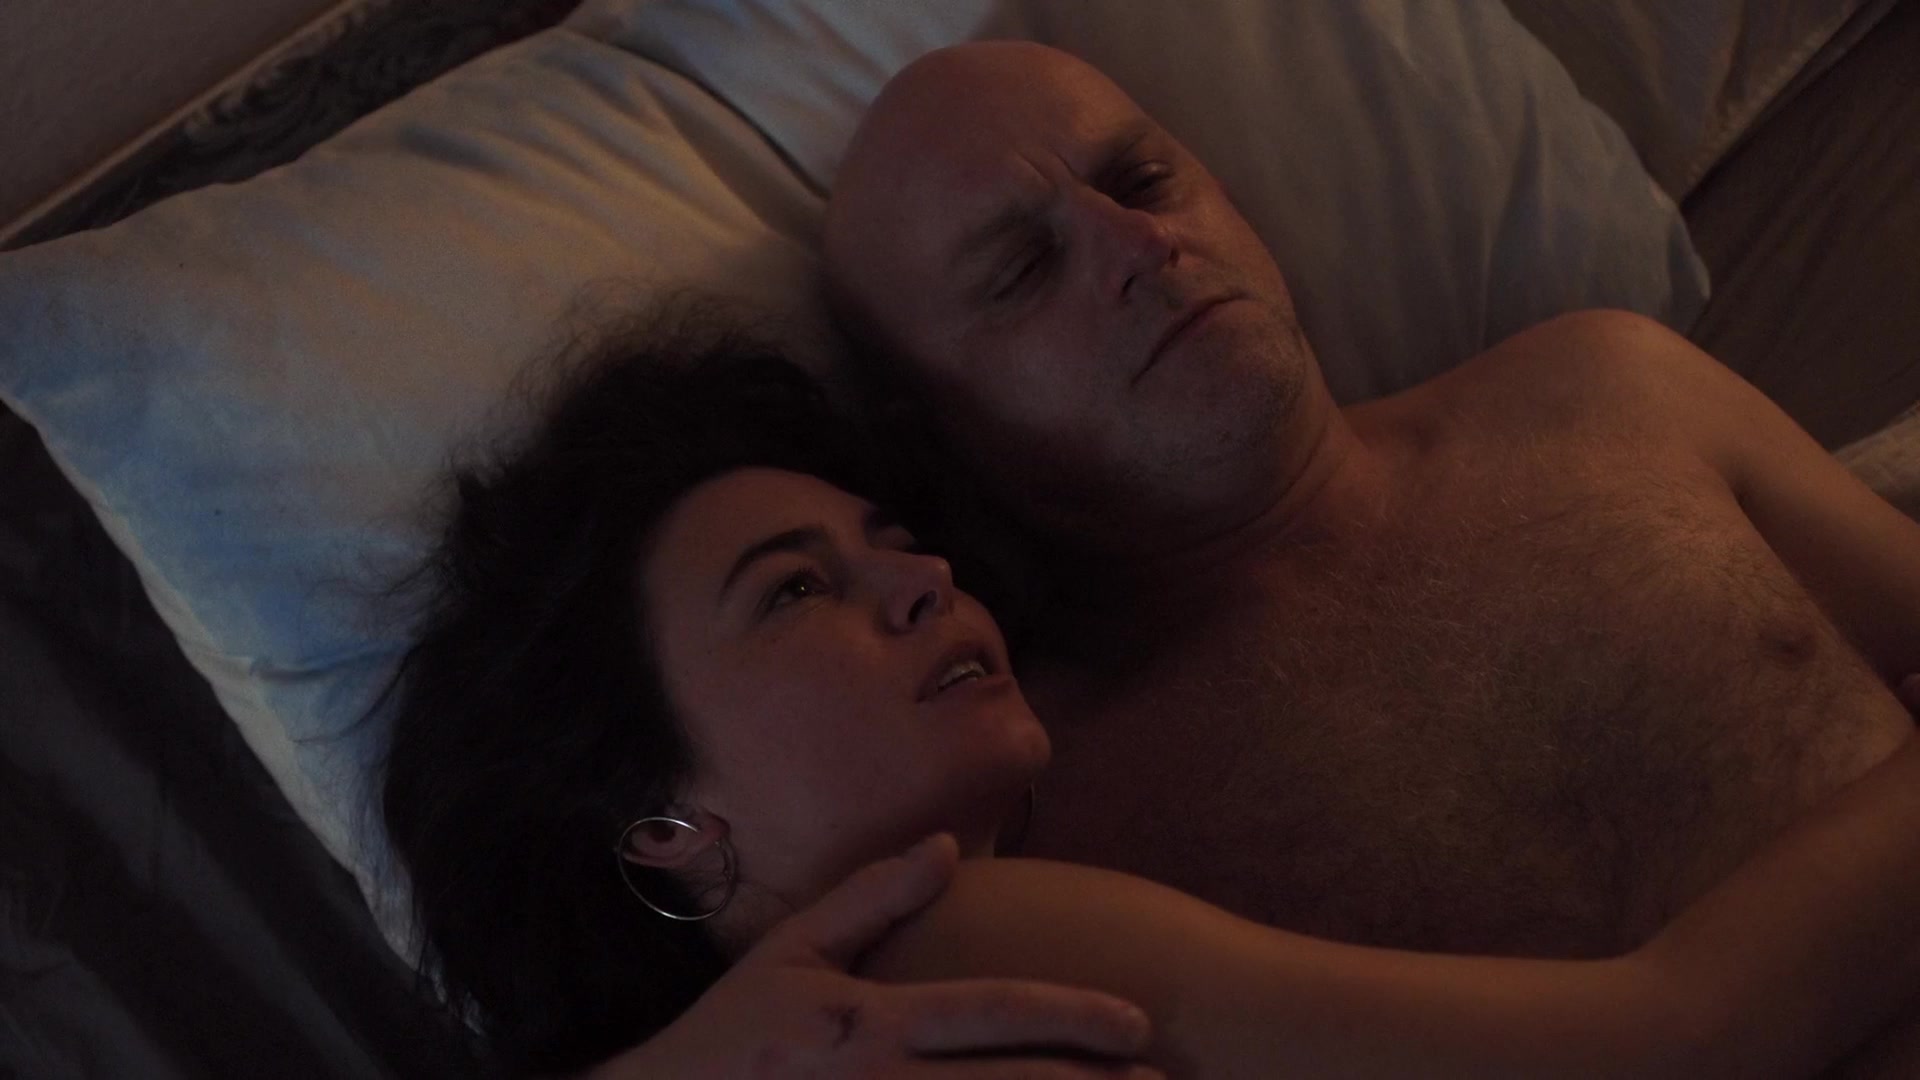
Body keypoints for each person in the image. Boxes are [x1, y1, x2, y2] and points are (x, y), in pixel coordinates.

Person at [379, 312, 1920, 1078]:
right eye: (793, 591)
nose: (920, 582)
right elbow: (1676, 1037)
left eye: (897, 542)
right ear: (662, 826)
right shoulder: (943, 943)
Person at [821, 41, 1920, 1066]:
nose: (1142, 245)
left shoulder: (1610, 387)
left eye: (1144, 182)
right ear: (937, 436)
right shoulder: (1047, 830)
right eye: (1023, 269)